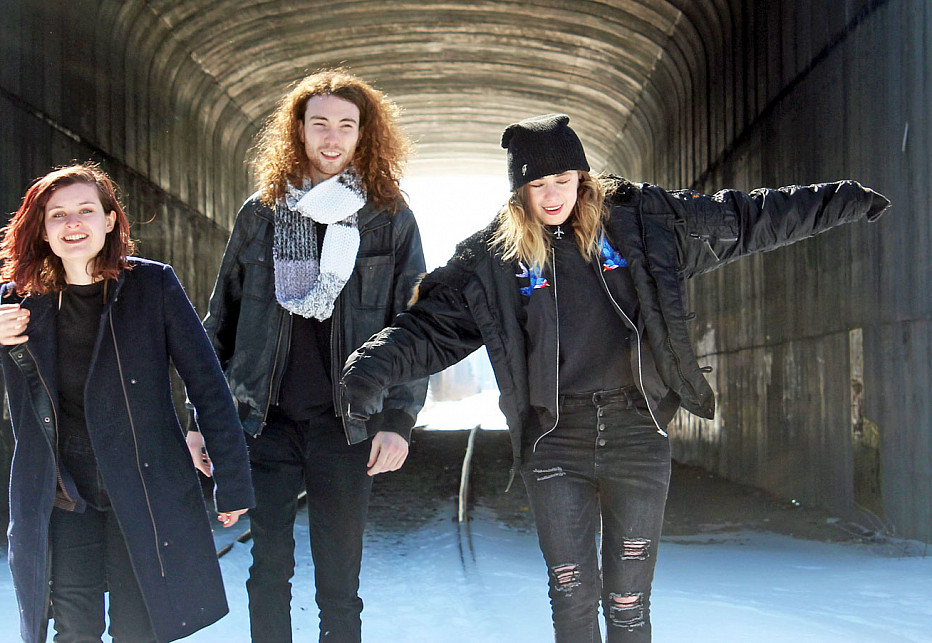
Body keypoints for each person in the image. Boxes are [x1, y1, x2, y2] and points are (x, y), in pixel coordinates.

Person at [340, 113, 890, 642]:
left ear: (583, 177)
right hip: (555, 441)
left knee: (628, 603)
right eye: (537, 185)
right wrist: (366, 371)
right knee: (571, 594)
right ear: (519, 193)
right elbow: (428, 330)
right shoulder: (493, 261)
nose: (552, 195)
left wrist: (843, 200)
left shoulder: (644, 225)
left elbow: (745, 219)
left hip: (636, 434)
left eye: (563, 180)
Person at [0, 163, 254, 643]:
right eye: (57, 215)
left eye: (86, 210)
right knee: (75, 630)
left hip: (143, 492)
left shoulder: (151, 286)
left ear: (109, 221)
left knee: (137, 630)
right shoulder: (21, 303)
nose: (73, 223)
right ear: (42, 230)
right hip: (65, 497)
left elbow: (207, 385)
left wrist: (232, 479)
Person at [191, 69, 427, 642]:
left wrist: (398, 420)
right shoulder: (261, 214)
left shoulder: (389, 219)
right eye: (319, 123)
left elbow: (413, 328)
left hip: (347, 426)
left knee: (339, 583)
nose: (331, 137)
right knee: (267, 571)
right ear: (298, 130)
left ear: (363, 134)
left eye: (346, 125)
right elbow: (220, 323)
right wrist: (201, 422)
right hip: (265, 422)